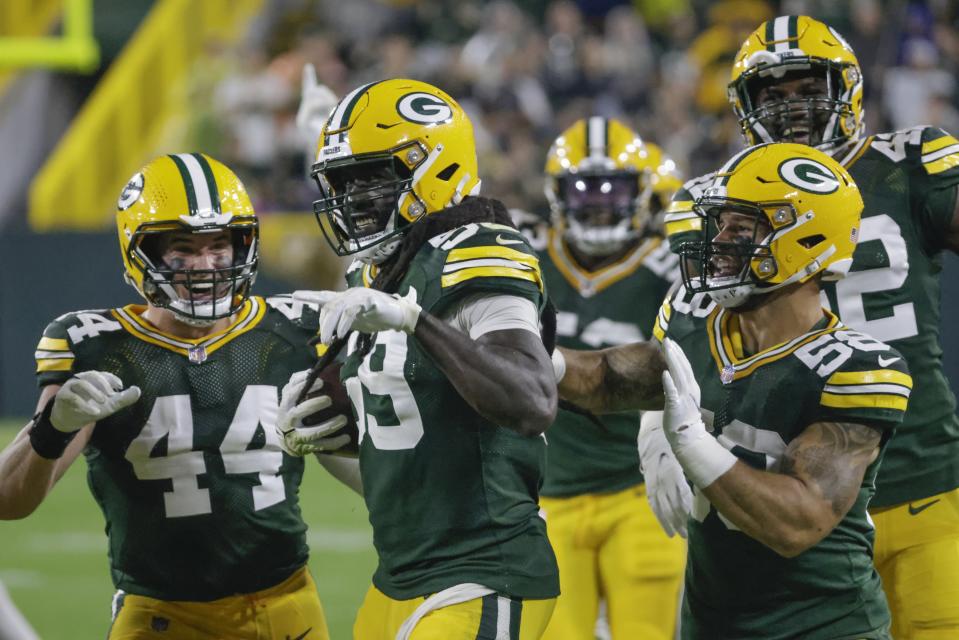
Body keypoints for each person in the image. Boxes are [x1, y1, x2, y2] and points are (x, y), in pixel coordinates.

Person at [663, 16, 959, 638]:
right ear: (745, 106)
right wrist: (652, 424)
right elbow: (687, 319)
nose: (791, 107)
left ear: (845, 88)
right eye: (772, 93)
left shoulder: (908, 163)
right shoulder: (712, 199)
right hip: (784, 493)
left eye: (807, 88)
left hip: (918, 478)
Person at [556, 142, 912, 638]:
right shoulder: (694, 317)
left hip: (823, 627)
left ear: (806, 240)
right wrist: (537, 357)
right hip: (713, 625)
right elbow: (609, 378)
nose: (720, 242)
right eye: (720, 224)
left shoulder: (853, 367)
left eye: (742, 228)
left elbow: (798, 523)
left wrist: (696, 447)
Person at [0, 153, 350, 640]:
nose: (205, 266)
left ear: (244, 245)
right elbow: (9, 501)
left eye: (219, 245)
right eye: (182, 249)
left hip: (286, 604)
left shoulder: (294, 331)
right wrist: (52, 427)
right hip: (160, 616)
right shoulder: (96, 345)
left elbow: (371, 466)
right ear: (139, 251)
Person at [278, 78, 560, 640]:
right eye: (343, 182)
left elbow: (533, 401)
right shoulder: (379, 272)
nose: (353, 200)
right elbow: (401, 463)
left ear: (438, 169)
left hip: (483, 570)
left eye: (372, 179)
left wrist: (414, 321)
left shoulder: (479, 251)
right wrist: (314, 437)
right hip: (398, 579)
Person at [534, 117, 684, 640]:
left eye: (613, 187)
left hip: (638, 491)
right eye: (580, 187)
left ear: (641, 190)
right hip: (547, 493)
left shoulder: (670, 269)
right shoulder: (525, 258)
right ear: (554, 193)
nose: (597, 201)